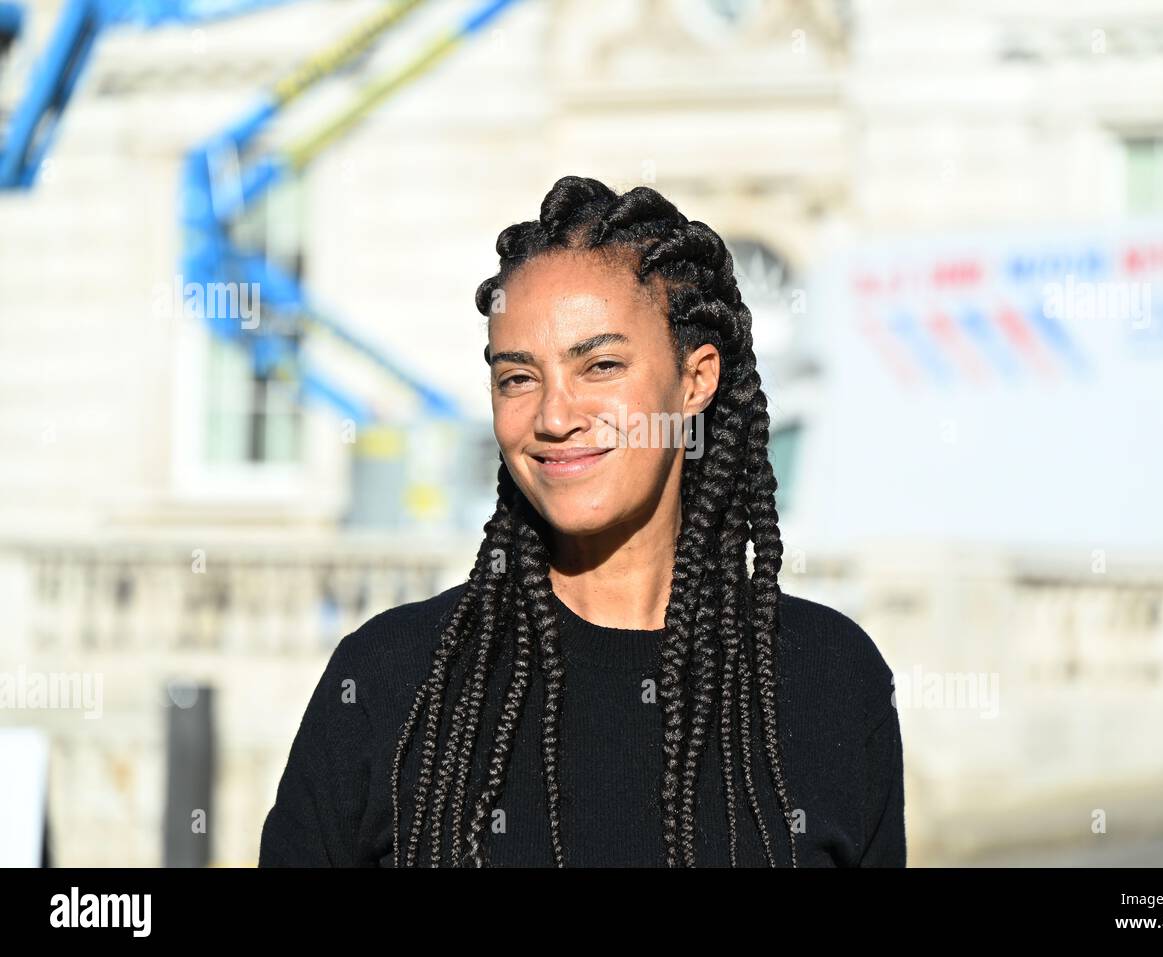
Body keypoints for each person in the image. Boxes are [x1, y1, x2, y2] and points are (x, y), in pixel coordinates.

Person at [258, 175, 905, 867]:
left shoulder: (830, 680)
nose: (554, 417)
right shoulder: (390, 681)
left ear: (697, 379)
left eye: (599, 364)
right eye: (517, 377)